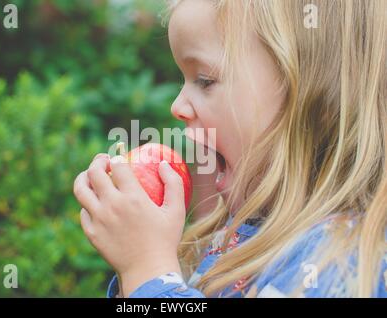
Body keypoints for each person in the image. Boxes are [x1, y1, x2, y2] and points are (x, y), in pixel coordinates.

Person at [73, 0, 387, 297]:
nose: (177, 105)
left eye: (205, 80)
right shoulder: (228, 238)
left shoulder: (342, 265)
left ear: (316, 97)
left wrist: (147, 270)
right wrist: (137, 272)